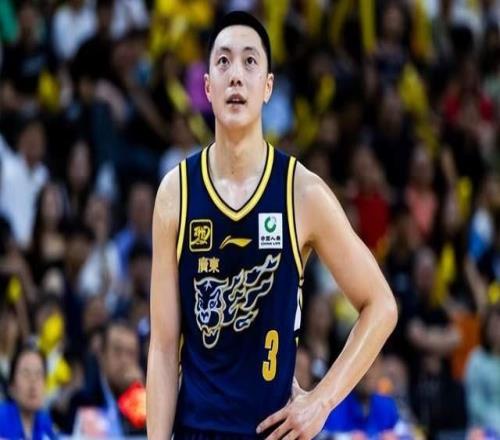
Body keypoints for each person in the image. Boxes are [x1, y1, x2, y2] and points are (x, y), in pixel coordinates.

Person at [147, 11, 398, 440]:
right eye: (223, 62)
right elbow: (164, 346)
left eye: (250, 61)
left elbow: (381, 305)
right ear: (207, 87)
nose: (236, 75)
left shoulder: (302, 192)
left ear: (268, 87)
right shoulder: (176, 192)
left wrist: (322, 401)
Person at [0, 345, 56, 439]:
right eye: (26, 374)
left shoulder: (44, 421)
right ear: (12, 386)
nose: (33, 381)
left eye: (38, 374)